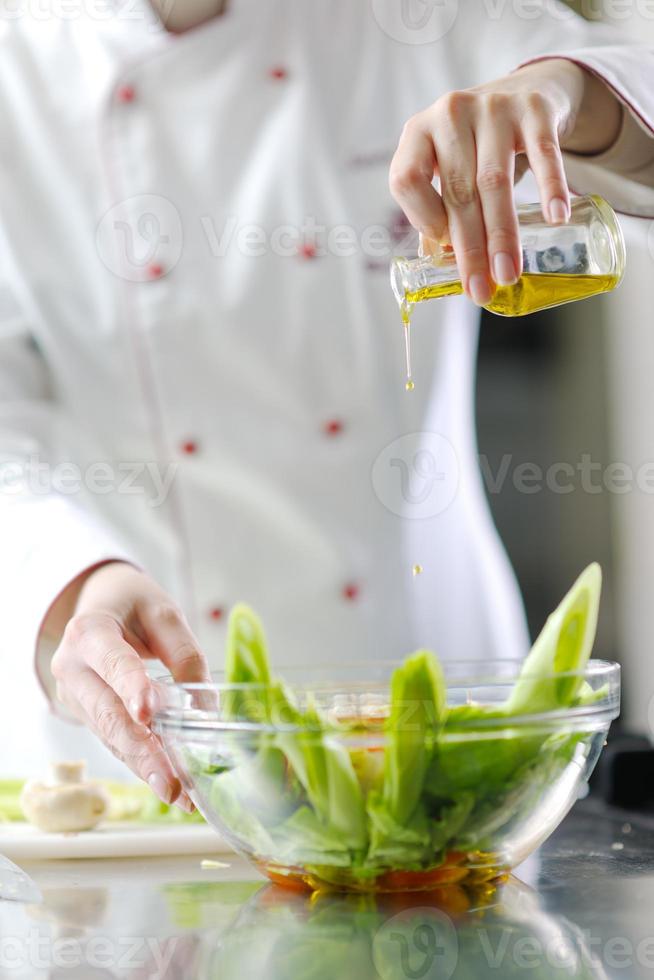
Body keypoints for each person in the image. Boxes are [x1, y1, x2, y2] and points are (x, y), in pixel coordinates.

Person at [1, 0, 653, 807]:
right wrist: (72, 585)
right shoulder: (17, 60)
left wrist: (567, 92)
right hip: (143, 734)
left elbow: (633, 111)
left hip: (438, 716)